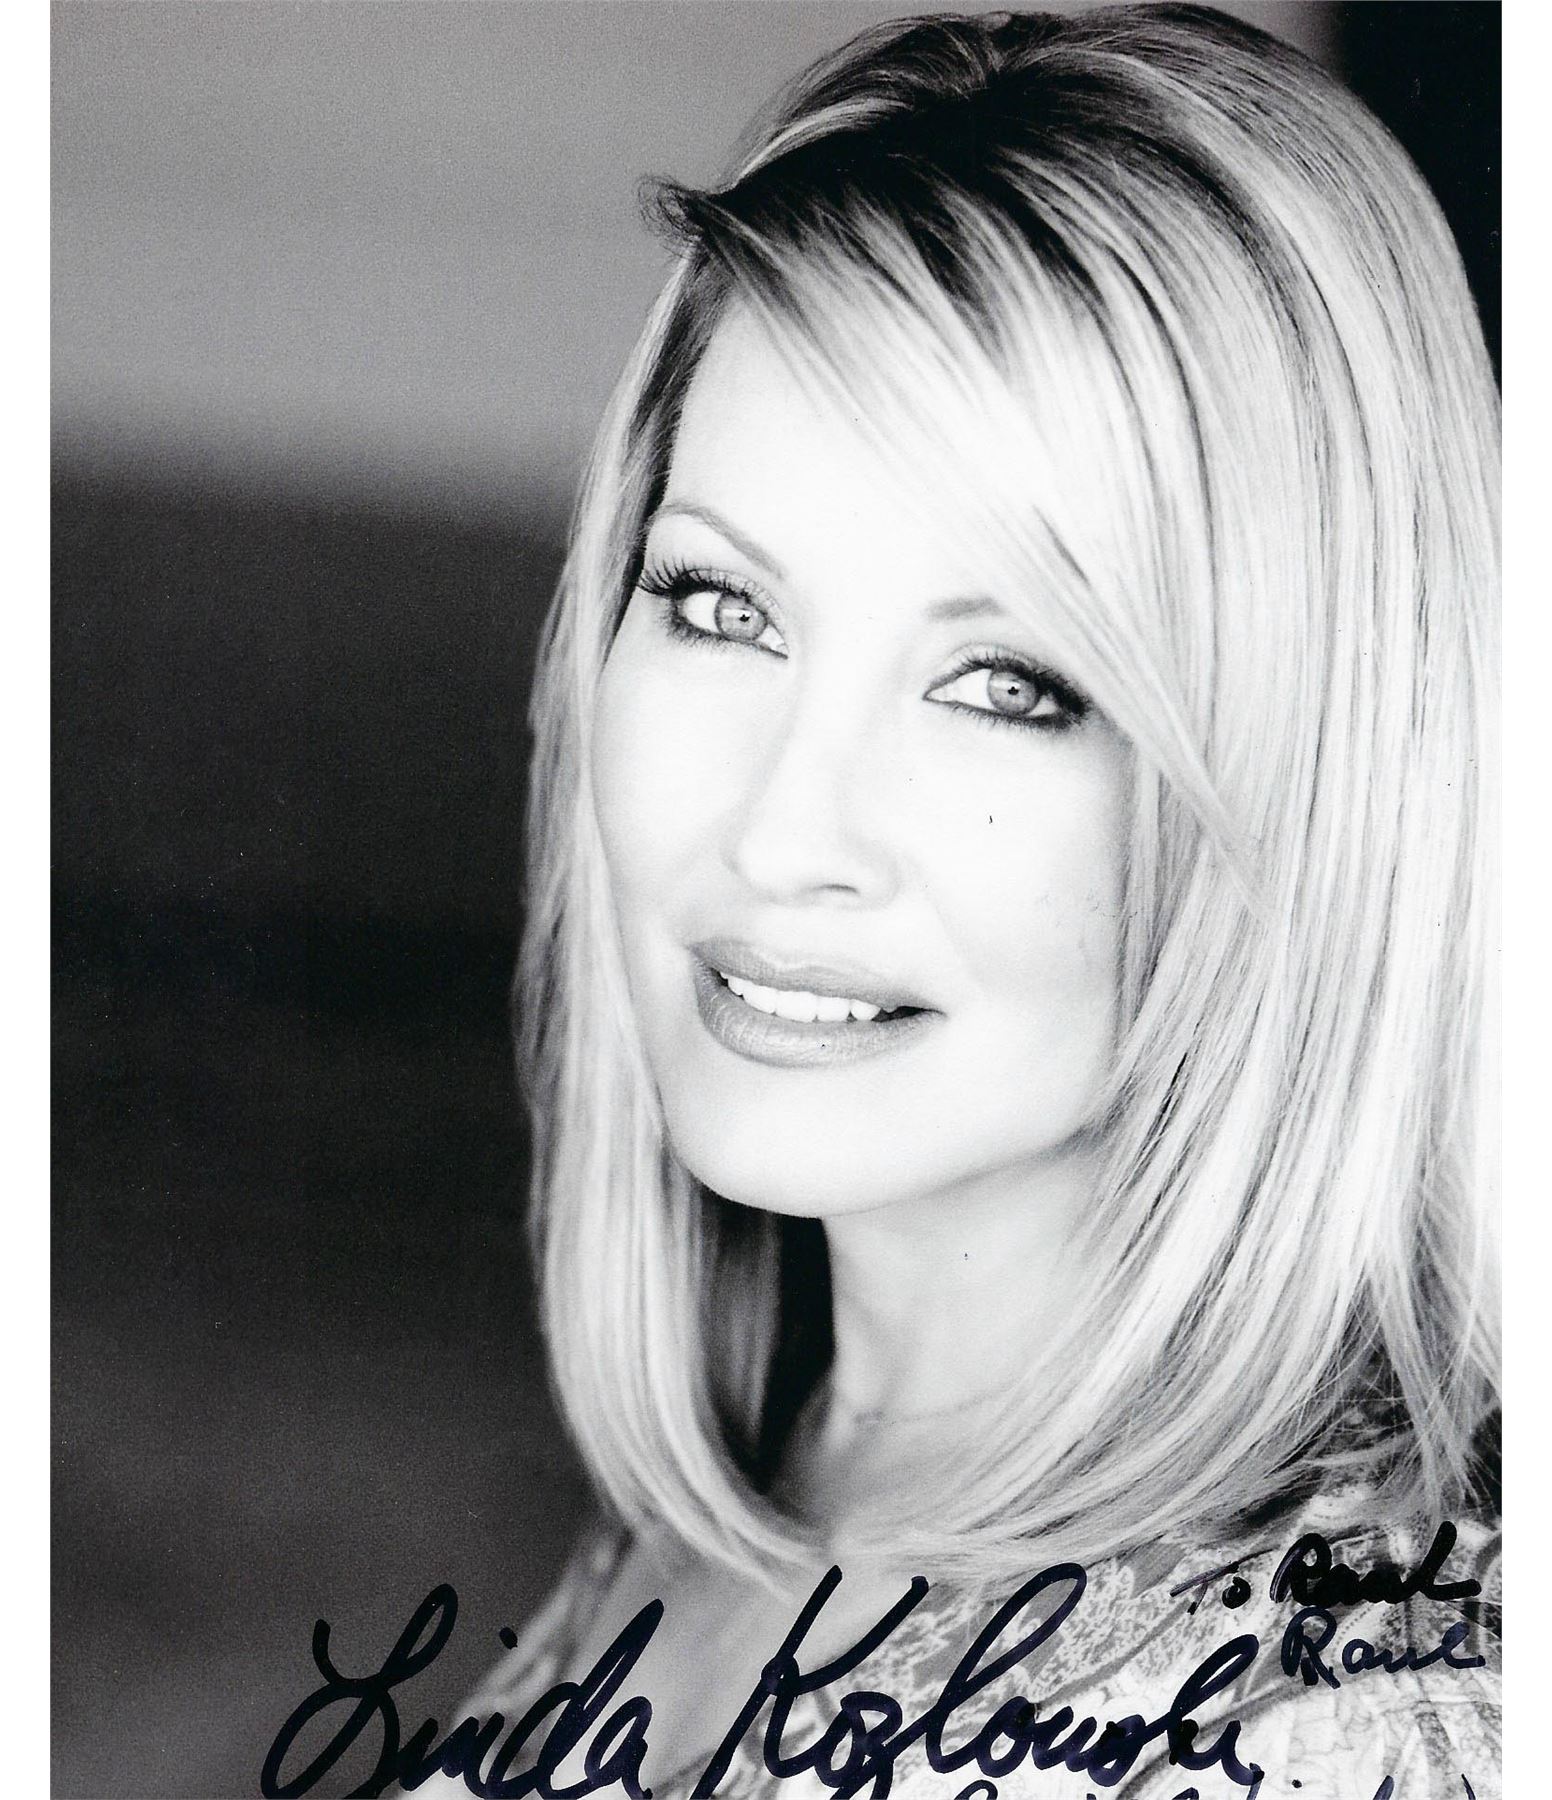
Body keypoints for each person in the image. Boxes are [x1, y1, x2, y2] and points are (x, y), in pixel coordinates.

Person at [431, 8, 1501, 1797]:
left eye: (1008, 684)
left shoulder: (1343, 1729)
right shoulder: (781, 1482)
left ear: (1316, 780)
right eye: (719, 607)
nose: (785, 830)